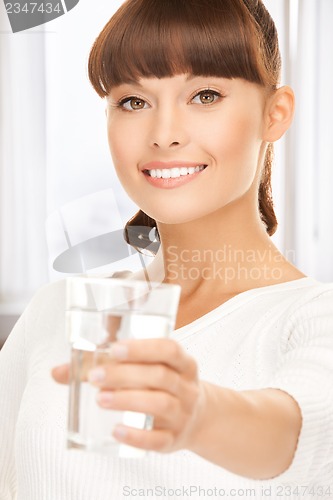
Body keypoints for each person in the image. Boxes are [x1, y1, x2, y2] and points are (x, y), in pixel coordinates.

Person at [1, 0, 333, 498]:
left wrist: (199, 414)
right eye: (133, 101)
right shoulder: (56, 312)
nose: (163, 136)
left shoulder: (314, 318)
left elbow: (301, 433)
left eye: (204, 95)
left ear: (274, 113)